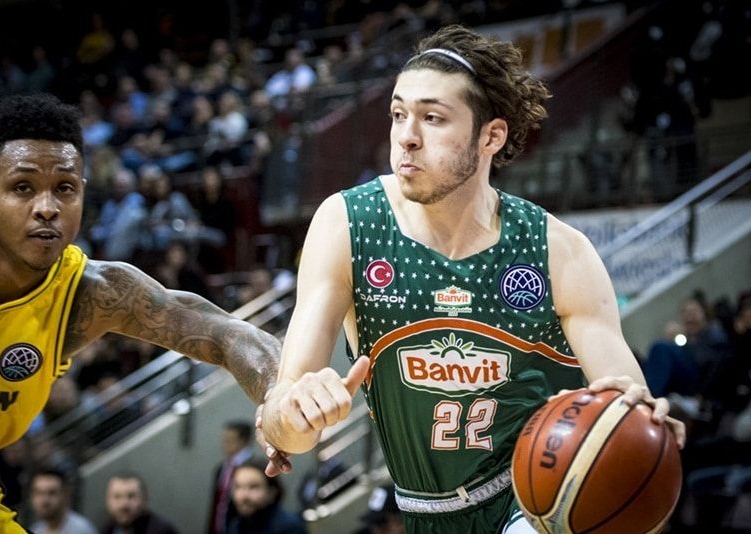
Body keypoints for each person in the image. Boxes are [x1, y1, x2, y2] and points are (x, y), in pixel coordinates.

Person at [261, 25, 686, 533]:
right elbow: (286, 428)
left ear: (491, 136)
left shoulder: (558, 251)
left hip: (533, 503)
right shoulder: (348, 224)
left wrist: (641, 422)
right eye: (398, 114)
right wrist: (296, 413)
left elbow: (629, 411)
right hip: (422, 510)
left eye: (432, 118)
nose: (406, 136)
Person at [0, 93, 284, 532]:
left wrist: (281, 392)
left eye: (65, 188)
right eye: (22, 187)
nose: (47, 207)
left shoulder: (90, 293)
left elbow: (225, 333)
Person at [227, 457, 307, 534]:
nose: (244, 496)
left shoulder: (289, 528)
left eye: (253, 487)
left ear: (272, 492)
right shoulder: (236, 526)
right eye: (238, 487)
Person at [206, 421, 255, 534]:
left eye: (229, 440)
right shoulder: (222, 467)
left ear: (243, 441)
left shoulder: (254, 469)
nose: (224, 444)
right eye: (224, 440)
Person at [102, 473, 177, 534]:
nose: (124, 504)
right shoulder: (107, 530)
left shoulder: (162, 531)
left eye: (131, 496)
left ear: (144, 500)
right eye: (117, 497)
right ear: (108, 500)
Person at [28, 468, 98, 534]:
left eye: (52, 493)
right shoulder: (35, 529)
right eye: (39, 493)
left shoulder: (81, 530)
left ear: (66, 495)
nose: (45, 500)